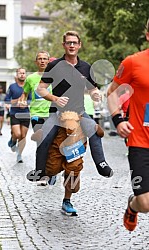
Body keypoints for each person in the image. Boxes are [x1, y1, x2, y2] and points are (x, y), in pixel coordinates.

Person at [33, 30, 113, 213]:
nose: (71, 45)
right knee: (44, 137)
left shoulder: (86, 67)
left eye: (74, 43)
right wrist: (54, 98)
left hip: (79, 113)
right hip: (57, 113)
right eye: (68, 42)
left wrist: (95, 95)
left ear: (79, 45)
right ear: (63, 45)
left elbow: (93, 89)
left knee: (94, 131)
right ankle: (41, 172)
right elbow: (41, 89)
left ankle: (101, 164)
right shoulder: (55, 66)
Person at [107, 19, 149, 232]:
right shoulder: (133, 62)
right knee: (145, 204)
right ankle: (133, 205)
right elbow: (112, 93)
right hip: (140, 141)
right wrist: (118, 120)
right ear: (148, 35)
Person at [22, 51, 55, 182]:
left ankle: (52, 171)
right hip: (36, 115)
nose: (42, 61)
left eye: (45, 59)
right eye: (40, 59)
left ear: (48, 61)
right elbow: (25, 94)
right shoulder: (30, 78)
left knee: (52, 143)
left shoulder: (55, 77)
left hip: (52, 114)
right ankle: (41, 172)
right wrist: (23, 100)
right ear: (36, 62)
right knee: (41, 141)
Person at [5, 68, 31, 163]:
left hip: (25, 114)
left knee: (23, 136)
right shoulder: (12, 87)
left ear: (25, 75)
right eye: (20, 73)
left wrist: (25, 103)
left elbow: (31, 100)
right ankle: (12, 140)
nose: (22, 75)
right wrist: (17, 101)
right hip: (15, 113)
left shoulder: (29, 86)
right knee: (17, 134)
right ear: (17, 75)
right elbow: (7, 100)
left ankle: (19, 155)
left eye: (24, 73)